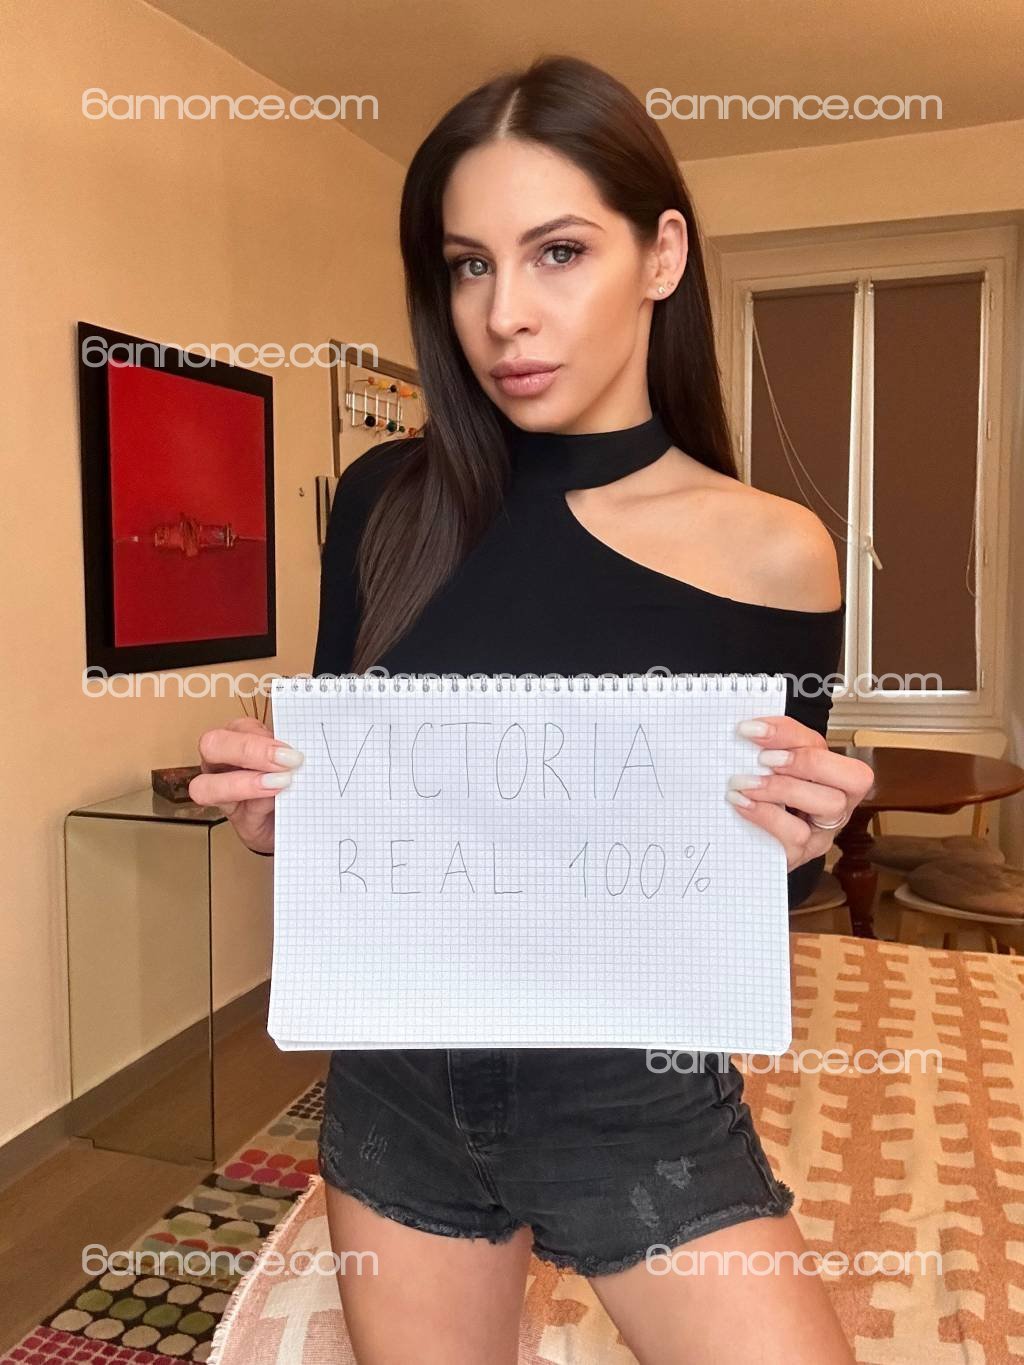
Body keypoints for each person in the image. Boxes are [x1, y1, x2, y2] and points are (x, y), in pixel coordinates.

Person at [191, 54, 872, 1365]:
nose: (506, 312)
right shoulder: (387, 503)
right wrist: (279, 814)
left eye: (559, 251)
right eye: (469, 265)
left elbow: (758, 885)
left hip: (636, 1093)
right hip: (398, 1085)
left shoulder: (775, 549)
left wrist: (802, 835)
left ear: (662, 254)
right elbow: (343, 804)